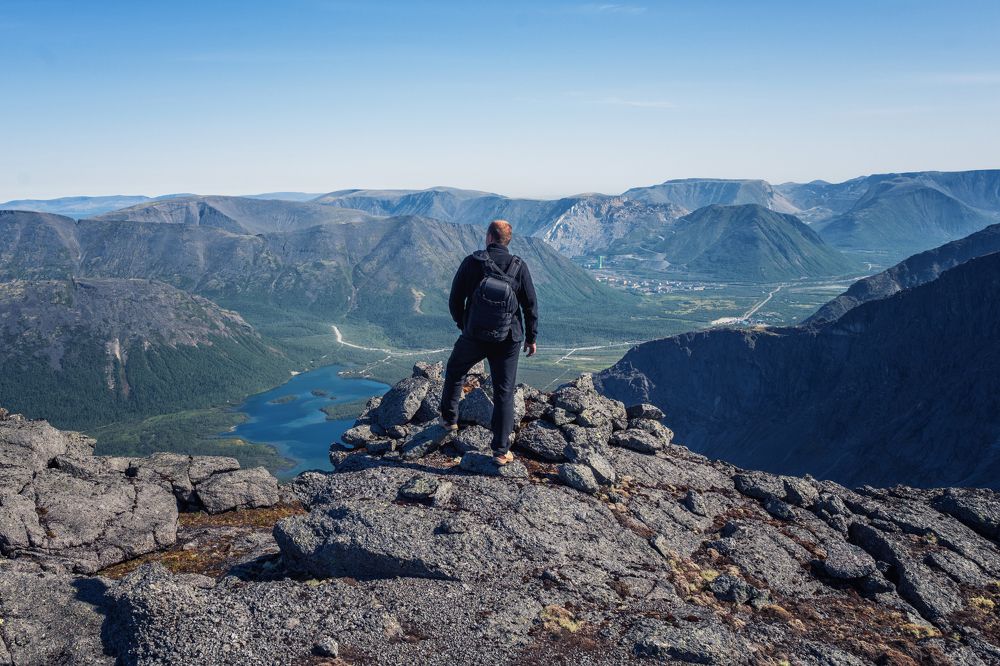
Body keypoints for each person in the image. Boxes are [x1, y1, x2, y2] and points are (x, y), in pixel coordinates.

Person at [439, 219, 538, 464]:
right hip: (509, 338)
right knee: (504, 391)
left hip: (474, 335)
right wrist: (531, 338)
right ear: (507, 240)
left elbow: (455, 300)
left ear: (489, 237)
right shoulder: (519, 266)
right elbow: (530, 305)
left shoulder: (472, 262)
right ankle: (501, 451)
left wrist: (464, 325)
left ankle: (449, 420)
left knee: (455, 370)